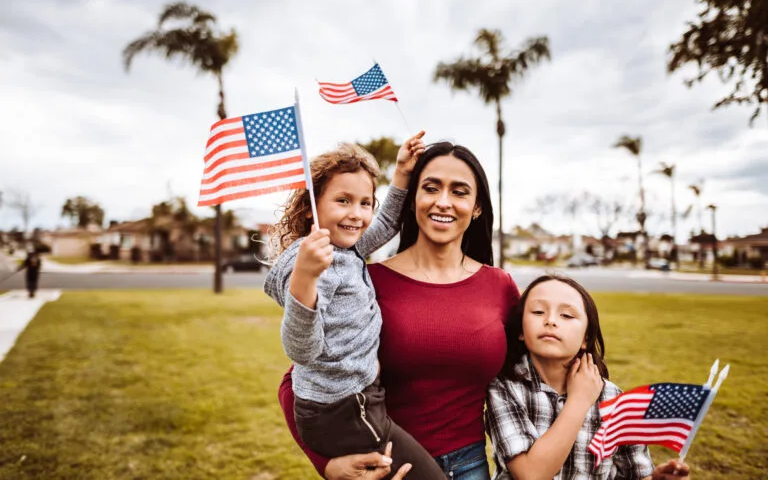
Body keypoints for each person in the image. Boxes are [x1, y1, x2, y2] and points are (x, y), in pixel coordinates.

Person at [278, 141, 521, 480]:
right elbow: (297, 381)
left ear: (477, 206)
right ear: (413, 199)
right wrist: (327, 465)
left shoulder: (500, 287)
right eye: (431, 188)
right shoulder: (368, 281)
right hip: (385, 465)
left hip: (472, 467)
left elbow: (529, 377)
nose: (443, 201)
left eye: (460, 191)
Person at [265, 133, 446, 480]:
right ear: (311, 207)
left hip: (353, 399)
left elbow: (387, 224)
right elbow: (302, 350)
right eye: (343, 201)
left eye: (365, 202)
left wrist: (402, 174)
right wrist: (304, 280)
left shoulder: (346, 251)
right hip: (343, 408)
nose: (357, 214)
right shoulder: (319, 265)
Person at [486, 274, 692, 480]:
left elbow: (636, 474)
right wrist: (579, 401)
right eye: (538, 312)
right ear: (521, 329)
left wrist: (658, 479)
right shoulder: (504, 388)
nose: (550, 320)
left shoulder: (613, 399)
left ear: (586, 337)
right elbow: (531, 475)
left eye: (566, 315)